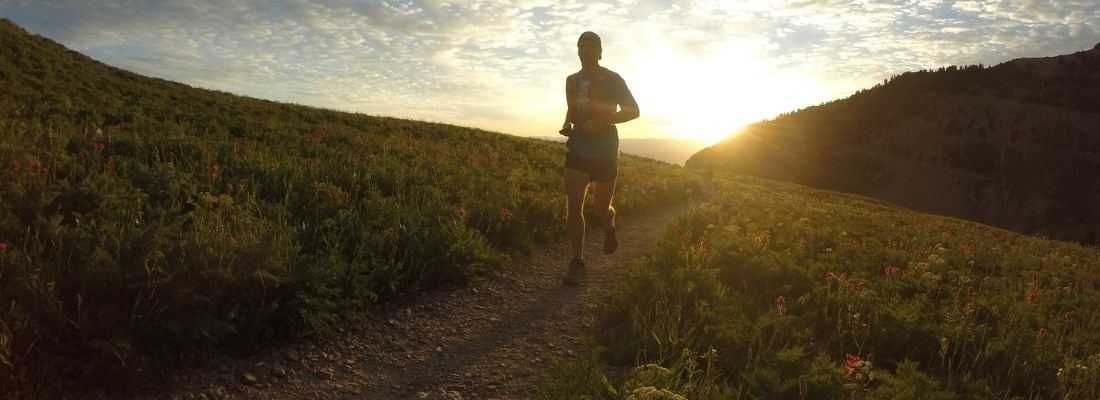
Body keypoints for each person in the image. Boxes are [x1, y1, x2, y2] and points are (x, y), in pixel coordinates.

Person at [559, 31, 639, 285]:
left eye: (591, 44)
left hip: (605, 153)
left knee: (601, 207)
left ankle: (609, 225)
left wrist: (603, 120)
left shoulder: (612, 79)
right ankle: (578, 261)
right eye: (581, 44)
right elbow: (573, 109)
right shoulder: (571, 80)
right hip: (578, 150)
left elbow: (634, 110)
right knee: (573, 205)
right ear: (578, 50)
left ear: (600, 52)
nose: (586, 48)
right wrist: (567, 125)